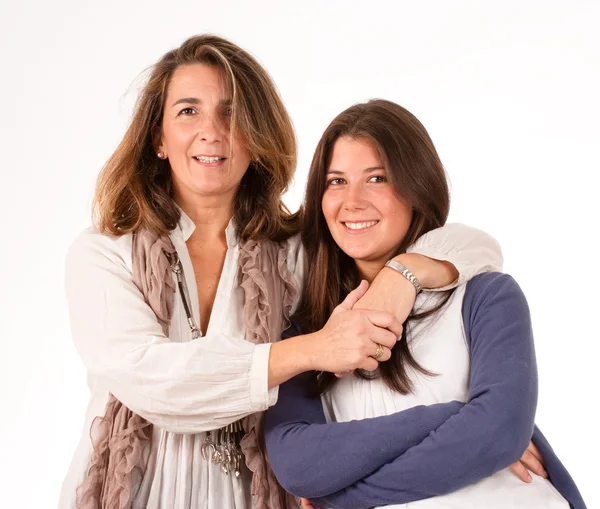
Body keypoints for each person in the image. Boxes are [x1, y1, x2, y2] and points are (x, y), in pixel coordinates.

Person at [59, 36, 505, 509]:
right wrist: (312, 349)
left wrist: (403, 276)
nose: (212, 131)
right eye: (188, 111)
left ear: (257, 136)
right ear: (158, 138)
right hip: (134, 493)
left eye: (231, 113)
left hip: (261, 496)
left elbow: (477, 247)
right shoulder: (104, 254)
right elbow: (150, 378)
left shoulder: (296, 250)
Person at [264, 99, 586, 509]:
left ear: (417, 186)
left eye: (377, 178)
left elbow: (501, 430)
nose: (353, 200)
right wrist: (458, 416)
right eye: (336, 181)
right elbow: (299, 466)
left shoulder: (486, 295)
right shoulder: (308, 334)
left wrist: (337, 498)